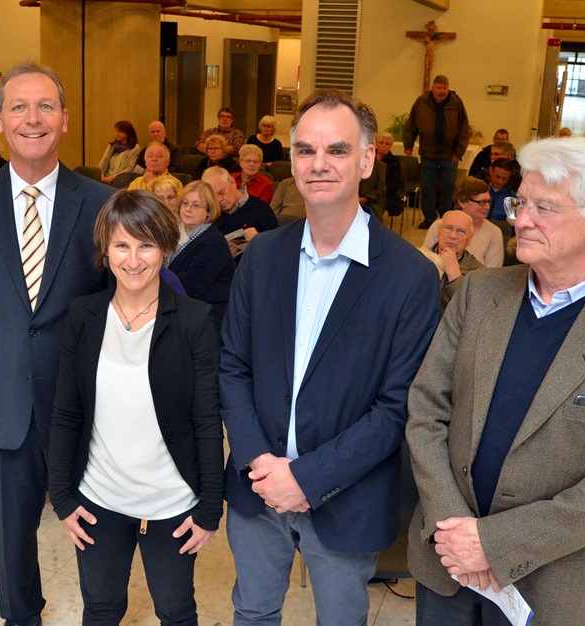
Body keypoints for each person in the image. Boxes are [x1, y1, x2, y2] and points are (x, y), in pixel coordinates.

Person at [407, 136, 585, 625]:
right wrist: (454, 530)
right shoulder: (476, 295)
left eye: (543, 207)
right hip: (446, 559)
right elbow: (427, 407)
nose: (520, 219)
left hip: (549, 581)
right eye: (520, 202)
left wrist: (493, 545)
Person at [220, 89, 440, 625]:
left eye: (337, 150)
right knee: (251, 612)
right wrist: (259, 462)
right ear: (291, 159)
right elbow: (232, 365)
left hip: (346, 497)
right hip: (257, 487)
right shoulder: (263, 256)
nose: (319, 165)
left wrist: (307, 478)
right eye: (305, 151)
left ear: (366, 160)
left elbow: (398, 408)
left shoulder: (409, 277)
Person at [0, 61, 116, 626]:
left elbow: (125, 305)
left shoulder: (102, 201)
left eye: (44, 107)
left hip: (85, 408)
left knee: (97, 536)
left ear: (64, 119)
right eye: (18, 107)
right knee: (12, 539)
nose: (31, 118)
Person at [48, 190, 223, 625]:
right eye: (121, 245)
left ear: (166, 248)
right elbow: (66, 413)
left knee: (176, 611)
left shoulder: (193, 320)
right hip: (98, 500)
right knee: (102, 609)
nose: (133, 259)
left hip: (171, 503)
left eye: (146, 245)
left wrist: (209, 511)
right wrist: (63, 499)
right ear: (105, 251)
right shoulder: (84, 316)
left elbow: (206, 421)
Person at [403, 75, 472, 228]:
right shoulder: (421, 102)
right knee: (427, 186)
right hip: (428, 153)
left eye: (445, 88)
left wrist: (458, 152)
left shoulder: (456, 102)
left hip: (450, 154)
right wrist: (408, 145)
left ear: (448, 88)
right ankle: (429, 217)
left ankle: (446, 216)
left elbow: (463, 128)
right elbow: (411, 124)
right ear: (433, 88)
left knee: (448, 186)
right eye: (439, 88)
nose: (442, 91)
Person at [167, 181, 235, 328]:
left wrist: (153, 277)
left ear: (208, 212)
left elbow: (193, 283)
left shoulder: (213, 242)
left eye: (196, 205)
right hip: (175, 304)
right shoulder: (173, 232)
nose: (188, 209)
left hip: (205, 315)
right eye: (185, 203)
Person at [422, 177, 504, 268]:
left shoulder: (494, 233)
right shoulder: (438, 225)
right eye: (482, 202)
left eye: (488, 202)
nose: (487, 207)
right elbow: (424, 260)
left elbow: (492, 275)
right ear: (462, 202)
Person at [200, 166, 277, 249]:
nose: (219, 200)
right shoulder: (209, 213)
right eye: (213, 197)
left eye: (221, 192)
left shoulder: (261, 209)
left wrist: (259, 240)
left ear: (232, 183)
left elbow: (276, 247)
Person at [424, 209, 484, 308]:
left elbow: (472, 309)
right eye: (448, 228)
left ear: (469, 238)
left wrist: (454, 276)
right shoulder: (420, 257)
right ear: (439, 231)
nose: (452, 236)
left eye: (461, 231)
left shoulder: (478, 272)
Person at [99, 120, 142, 185]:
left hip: (120, 180)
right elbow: (103, 162)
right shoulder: (112, 146)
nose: (116, 134)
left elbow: (129, 168)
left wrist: (112, 177)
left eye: (119, 131)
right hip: (105, 176)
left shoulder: (135, 148)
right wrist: (100, 175)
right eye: (116, 131)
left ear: (127, 133)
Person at [374, 131, 405, 218]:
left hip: (385, 192)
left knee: (375, 201)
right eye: (381, 143)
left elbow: (395, 184)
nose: (383, 146)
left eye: (387, 144)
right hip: (366, 190)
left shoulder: (394, 162)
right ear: (376, 143)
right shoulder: (368, 156)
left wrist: (378, 191)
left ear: (391, 146)